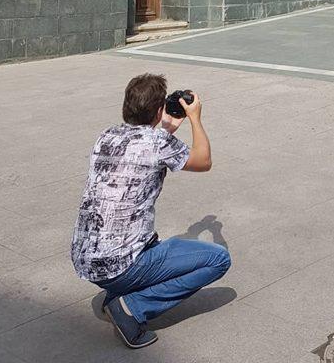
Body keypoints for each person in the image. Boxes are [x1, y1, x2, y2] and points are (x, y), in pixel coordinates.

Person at [71, 73, 231, 349]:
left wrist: (165, 127)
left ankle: (118, 292)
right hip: (120, 265)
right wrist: (195, 117)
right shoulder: (158, 143)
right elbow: (203, 161)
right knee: (217, 260)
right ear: (158, 110)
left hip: (85, 259)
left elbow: (140, 147)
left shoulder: (107, 136)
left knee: (153, 241)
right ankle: (132, 307)